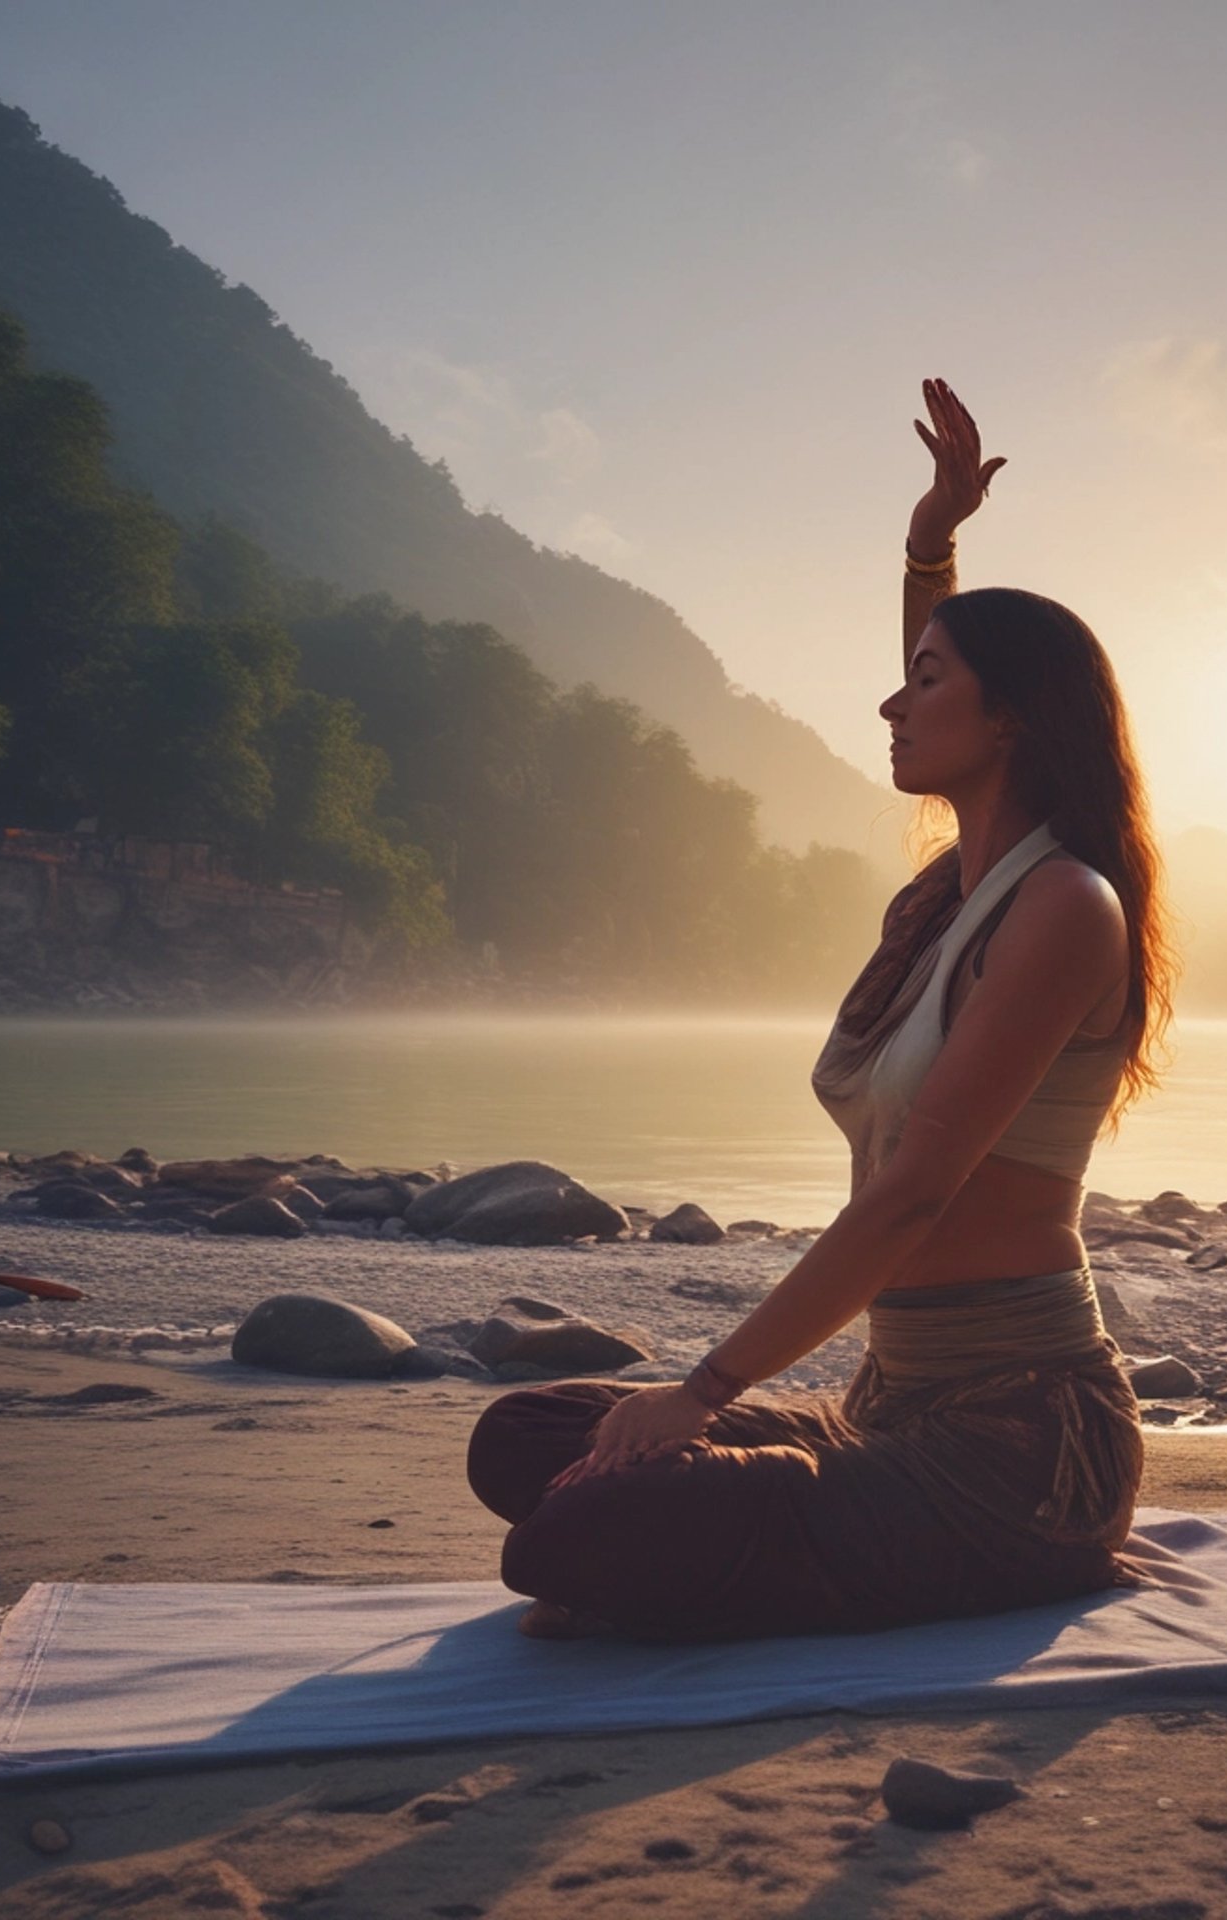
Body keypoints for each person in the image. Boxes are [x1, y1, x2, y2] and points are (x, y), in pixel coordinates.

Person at [466, 377, 1178, 1642]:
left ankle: (801, 1534)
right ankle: (767, 1522)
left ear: (1008, 715)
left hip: (1021, 1451)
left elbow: (912, 1195)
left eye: (926, 683)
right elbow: (949, 655)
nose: (894, 704)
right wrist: (930, 542)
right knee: (526, 1438)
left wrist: (706, 1389)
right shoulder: (948, 901)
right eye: (904, 677)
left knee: (578, 1533)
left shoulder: (1067, 906)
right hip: (891, 1410)